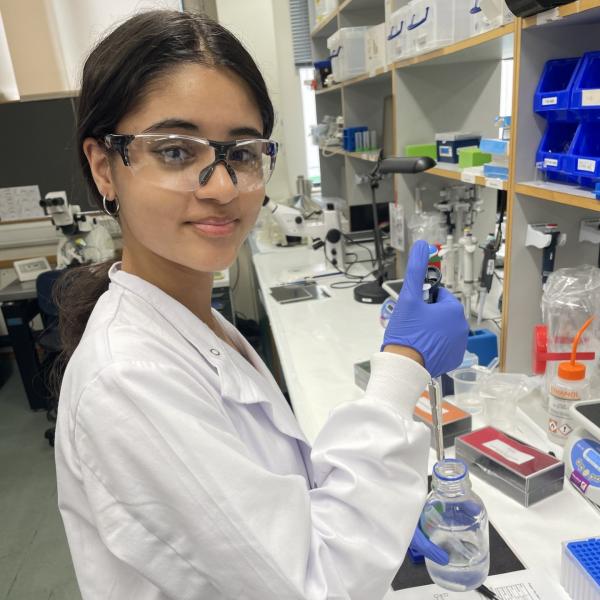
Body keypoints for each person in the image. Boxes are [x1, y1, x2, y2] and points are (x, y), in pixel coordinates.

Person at [54, 10, 468, 600]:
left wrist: (368, 514)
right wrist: (402, 365)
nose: (222, 187)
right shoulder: (129, 379)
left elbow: (259, 506)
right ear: (105, 167)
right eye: (175, 151)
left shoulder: (195, 320)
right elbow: (311, 586)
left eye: (242, 153)